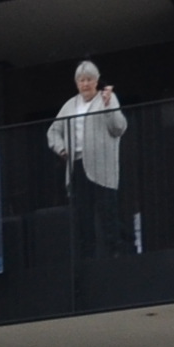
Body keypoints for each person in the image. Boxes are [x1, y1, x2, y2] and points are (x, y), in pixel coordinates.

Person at [49, 60, 127, 262]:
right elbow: (53, 131)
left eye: (89, 79)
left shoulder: (107, 98)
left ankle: (115, 256)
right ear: (77, 83)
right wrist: (61, 148)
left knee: (107, 213)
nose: (85, 84)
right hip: (77, 165)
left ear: (96, 81)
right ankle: (87, 260)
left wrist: (109, 106)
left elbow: (118, 128)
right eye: (81, 80)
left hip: (102, 166)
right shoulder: (70, 105)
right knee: (83, 216)